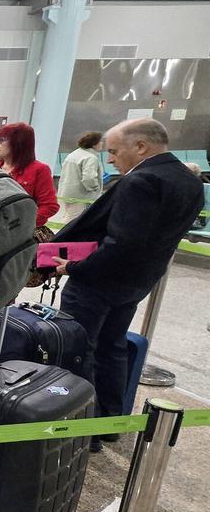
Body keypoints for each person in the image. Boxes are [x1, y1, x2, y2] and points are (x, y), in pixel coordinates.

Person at [52, 119, 203, 452]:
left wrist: (72, 266)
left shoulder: (142, 181)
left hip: (99, 282)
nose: (110, 160)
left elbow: (120, 244)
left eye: (115, 152)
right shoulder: (188, 181)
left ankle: (84, 430)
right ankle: (110, 421)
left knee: (81, 349)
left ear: (141, 146)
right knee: (112, 348)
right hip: (137, 282)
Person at [0, 122, 60, 232]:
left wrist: (21, 225)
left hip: (21, 235)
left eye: (1, 140)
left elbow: (49, 205)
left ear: (18, 142)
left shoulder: (39, 169)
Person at [58, 132, 104, 216]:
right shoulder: (91, 157)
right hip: (81, 196)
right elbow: (89, 178)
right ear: (94, 144)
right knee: (73, 220)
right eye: (100, 141)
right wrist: (95, 188)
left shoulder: (74, 154)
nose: (102, 143)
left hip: (67, 193)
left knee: (69, 216)